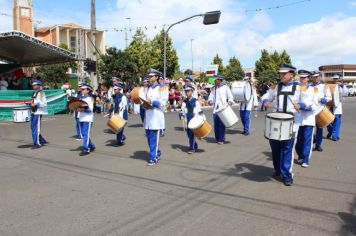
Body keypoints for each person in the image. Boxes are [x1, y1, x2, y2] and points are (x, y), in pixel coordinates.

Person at [263, 64, 308, 186]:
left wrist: (301, 105)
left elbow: (308, 102)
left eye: (284, 74)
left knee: (287, 148)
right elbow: (266, 96)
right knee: (275, 147)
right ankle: (278, 169)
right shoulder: (276, 87)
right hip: (277, 120)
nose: (281, 76)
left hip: (292, 122)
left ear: (291, 74)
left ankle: (287, 174)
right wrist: (266, 101)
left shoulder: (300, 87)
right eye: (280, 74)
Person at [143, 69, 168, 166]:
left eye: (151, 76)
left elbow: (163, 103)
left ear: (156, 77)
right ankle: (156, 152)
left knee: (154, 139)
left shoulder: (163, 88)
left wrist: (152, 101)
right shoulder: (148, 88)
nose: (149, 78)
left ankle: (153, 158)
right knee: (149, 139)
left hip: (156, 117)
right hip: (148, 117)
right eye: (149, 76)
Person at [295, 70, 318, 168]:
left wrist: (305, 107)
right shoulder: (296, 89)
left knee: (307, 140)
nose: (302, 79)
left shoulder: (314, 89)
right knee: (298, 140)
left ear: (308, 78)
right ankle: (300, 155)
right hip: (298, 119)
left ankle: (305, 159)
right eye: (301, 77)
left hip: (309, 118)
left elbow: (315, 104)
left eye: (304, 78)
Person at [208, 75, 234, 144]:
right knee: (216, 124)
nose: (214, 81)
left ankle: (221, 139)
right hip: (215, 109)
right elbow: (211, 96)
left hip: (223, 108)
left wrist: (230, 102)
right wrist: (210, 101)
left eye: (216, 80)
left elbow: (230, 97)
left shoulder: (225, 87)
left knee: (221, 124)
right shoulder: (213, 88)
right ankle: (217, 138)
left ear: (219, 80)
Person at [180, 85, 204, 154]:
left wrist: (202, 119)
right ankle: (195, 145)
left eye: (188, 91)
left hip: (194, 120)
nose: (187, 93)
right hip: (187, 119)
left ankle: (191, 148)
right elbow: (182, 110)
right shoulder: (184, 102)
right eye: (186, 91)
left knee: (192, 135)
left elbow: (199, 111)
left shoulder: (195, 101)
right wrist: (181, 115)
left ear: (192, 92)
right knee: (189, 135)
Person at [311, 71, 332, 151]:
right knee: (311, 128)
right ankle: (312, 141)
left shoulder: (324, 86)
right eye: (314, 77)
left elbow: (329, 97)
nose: (315, 78)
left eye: (317, 77)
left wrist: (324, 99)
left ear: (319, 77)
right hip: (311, 111)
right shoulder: (310, 86)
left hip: (320, 110)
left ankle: (318, 145)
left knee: (319, 129)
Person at [327, 73, 349, 141]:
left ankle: (335, 135)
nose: (336, 80)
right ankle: (331, 132)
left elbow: (346, 93)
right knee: (328, 121)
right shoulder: (330, 85)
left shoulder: (341, 86)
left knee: (337, 121)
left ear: (339, 78)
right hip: (330, 105)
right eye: (334, 78)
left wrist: (342, 86)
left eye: (337, 78)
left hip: (337, 106)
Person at [77, 83, 96, 156]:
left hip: (88, 119)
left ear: (88, 90)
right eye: (81, 89)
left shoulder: (90, 98)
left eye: (83, 89)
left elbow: (90, 110)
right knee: (85, 134)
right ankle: (92, 146)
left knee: (85, 134)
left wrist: (81, 110)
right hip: (81, 118)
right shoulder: (81, 98)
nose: (81, 90)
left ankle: (86, 149)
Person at [30, 79, 48, 149]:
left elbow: (44, 103)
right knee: (33, 128)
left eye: (35, 85)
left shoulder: (42, 93)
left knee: (36, 128)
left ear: (38, 85)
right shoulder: (34, 93)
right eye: (33, 85)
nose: (33, 86)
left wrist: (36, 104)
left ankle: (37, 143)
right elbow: (33, 101)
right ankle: (41, 140)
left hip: (38, 112)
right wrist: (30, 103)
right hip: (33, 112)